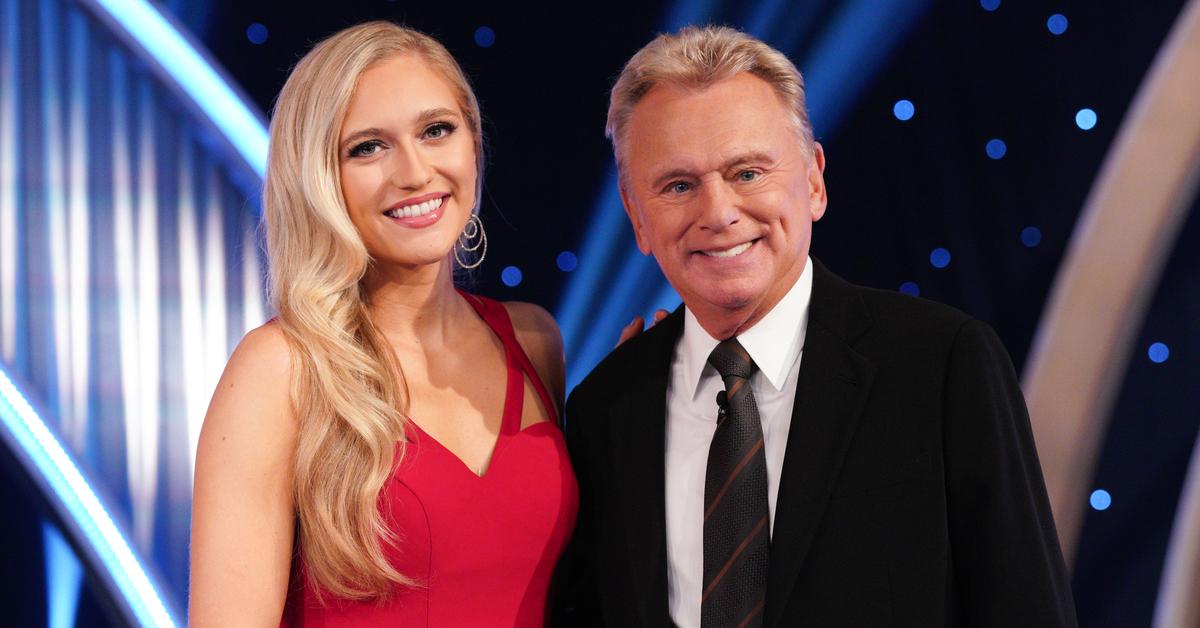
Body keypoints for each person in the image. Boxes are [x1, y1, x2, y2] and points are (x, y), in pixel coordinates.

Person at [554, 26, 1077, 627]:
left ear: (814, 181)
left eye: (748, 172)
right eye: (678, 185)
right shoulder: (606, 408)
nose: (719, 212)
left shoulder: (941, 364)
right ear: (637, 217)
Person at [189, 21, 577, 627]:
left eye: (436, 131)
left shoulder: (534, 339)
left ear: (472, 144)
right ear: (320, 178)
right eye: (368, 147)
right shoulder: (281, 369)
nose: (416, 172)